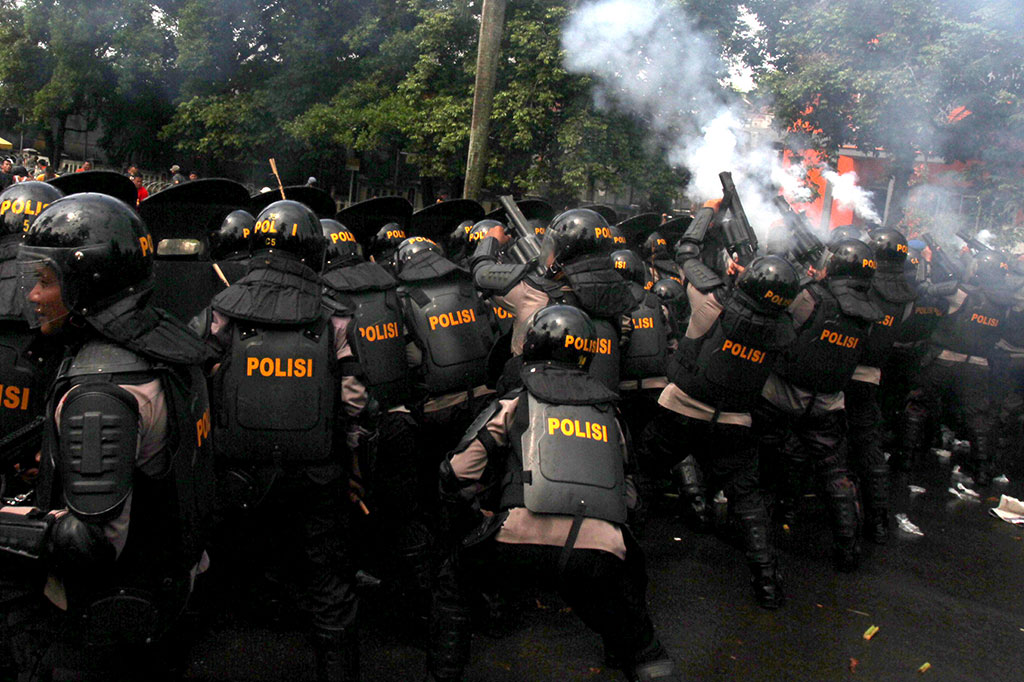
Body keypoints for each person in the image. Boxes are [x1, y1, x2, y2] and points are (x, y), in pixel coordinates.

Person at [1, 192, 214, 680]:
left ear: (88, 281)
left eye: (44, 280)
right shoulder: (163, 341)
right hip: (168, 584)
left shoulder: (100, 387)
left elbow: (94, 542)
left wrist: (12, 523)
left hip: (107, 615)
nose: (32, 296)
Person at [429, 304, 682, 682]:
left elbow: (456, 471)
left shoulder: (516, 401)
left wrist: (476, 519)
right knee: (635, 628)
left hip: (515, 536)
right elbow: (630, 497)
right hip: (599, 550)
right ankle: (639, 655)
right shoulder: (609, 413)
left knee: (453, 583)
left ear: (532, 345)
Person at [193, 199, 367, 681]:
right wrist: (353, 466)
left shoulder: (222, 308)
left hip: (236, 473)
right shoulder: (336, 315)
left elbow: (193, 380)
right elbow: (354, 399)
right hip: (316, 473)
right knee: (329, 585)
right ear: (316, 249)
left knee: (225, 572)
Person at [648, 200, 800, 607]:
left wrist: (707, 212)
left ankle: (617, 557)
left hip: (680, 407)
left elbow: (686, 252)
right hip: (735, 420)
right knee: (748, 500)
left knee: (641, 478)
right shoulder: (786, 329)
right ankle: (767, 583)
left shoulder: (712, 302)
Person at [754, 238, 882, 572]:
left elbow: (779, 326)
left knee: (766, 462)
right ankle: (848, 546)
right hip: (828, 402)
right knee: (835, 473)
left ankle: (767, 527)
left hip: (782, 393)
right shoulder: (870, 310)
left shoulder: (810, 297)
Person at [470, 208, 635, 392]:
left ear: (563, 252)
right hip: (600, 407)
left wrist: (490, 240)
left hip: (538, 404)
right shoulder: (622, 298)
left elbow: (481, 275)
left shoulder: (534, 293)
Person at [901, 247, 1014, 486]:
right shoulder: (1005, 302)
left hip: (944, 359)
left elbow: (924, 289)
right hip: (979, 365)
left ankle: (907, 459)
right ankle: (982, 471)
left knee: (918, 405)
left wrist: (928, 265)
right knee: (978, 419)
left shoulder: (961, 293)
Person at [844, 228, 917, 544]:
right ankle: (878, 518)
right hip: (872, 376)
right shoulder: (907, 296)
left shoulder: (861, 286)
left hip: (842, 370)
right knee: (869, 447)